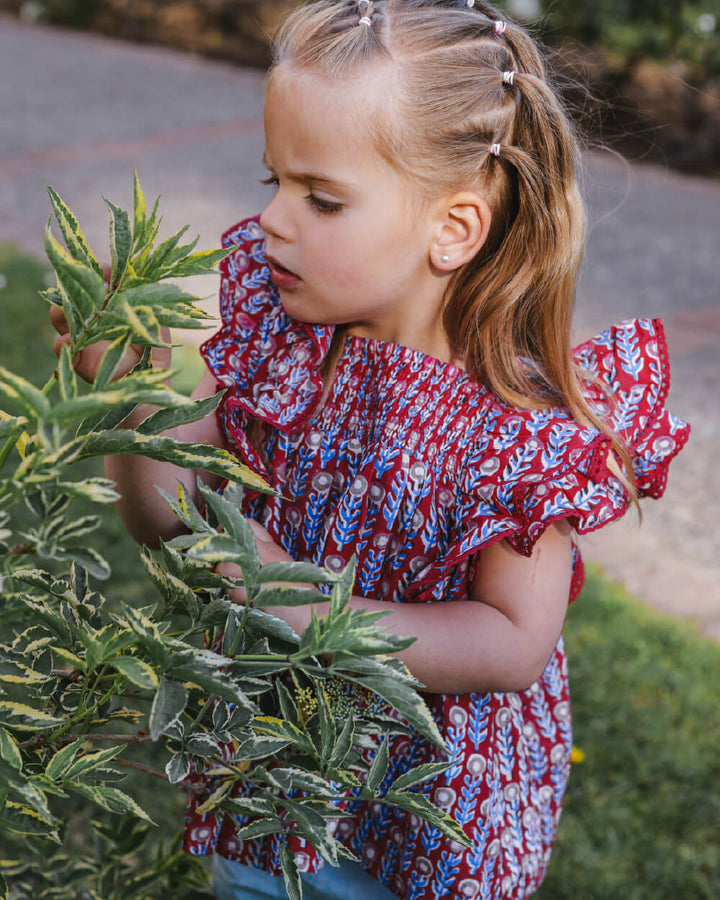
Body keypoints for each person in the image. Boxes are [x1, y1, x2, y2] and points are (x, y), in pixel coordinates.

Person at [51, 0, 690, 897]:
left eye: (321, 197)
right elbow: (171, 520)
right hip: (274, 785)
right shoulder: (284, 343)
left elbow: (513, 641)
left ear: (452, 228)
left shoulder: (518, 425)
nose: (273, 218)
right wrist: (130, 395)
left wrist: (317, 617)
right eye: (272, 179)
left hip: (423, 827)